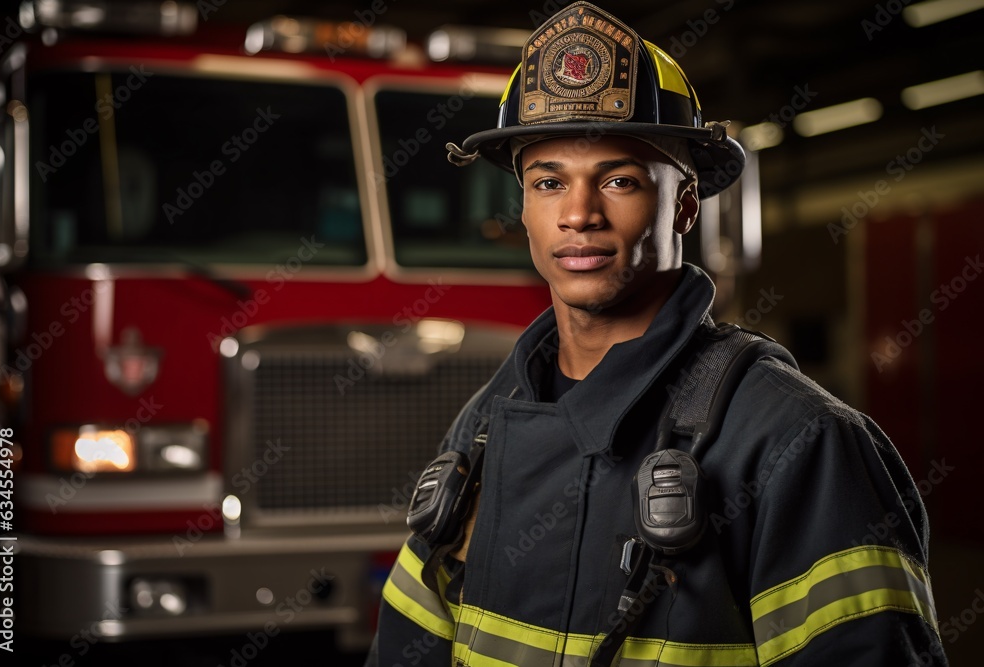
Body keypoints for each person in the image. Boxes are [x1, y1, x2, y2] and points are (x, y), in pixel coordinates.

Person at [365, 2, 947, 665]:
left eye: (619, 179)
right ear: (523, 208)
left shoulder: (799, 443)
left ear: (686, 203)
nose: (578, 214)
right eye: (549, 181)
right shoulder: (483, 426)